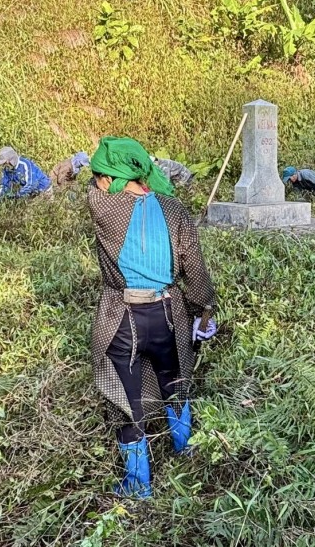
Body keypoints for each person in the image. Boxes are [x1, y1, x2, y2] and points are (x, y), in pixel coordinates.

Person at [86, 136, 218, 499]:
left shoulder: (102, 204)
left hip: (121, 317)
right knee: (175, 382)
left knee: (124, 400)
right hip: (168, 314)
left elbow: (96, 181)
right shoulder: (175, 210)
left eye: (99, 174)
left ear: (106, 177)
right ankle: (185, 451)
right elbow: (196, 271)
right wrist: (204, 309)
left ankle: (138, 484)